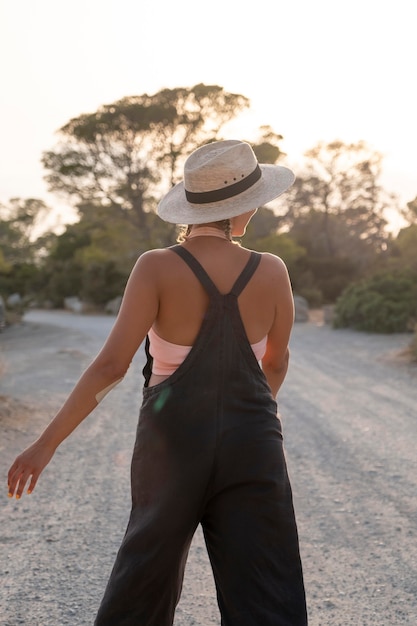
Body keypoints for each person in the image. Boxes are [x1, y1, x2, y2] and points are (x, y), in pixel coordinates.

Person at [7, 140, 308, 625]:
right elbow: (274, 364)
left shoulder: (156, 267)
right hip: (253, 442)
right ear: (241, 207)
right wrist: (242, 418)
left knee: (144, 582)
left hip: (172, 446)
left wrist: (45, 445)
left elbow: (110, 367)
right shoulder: (272, 271)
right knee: (266, 588)